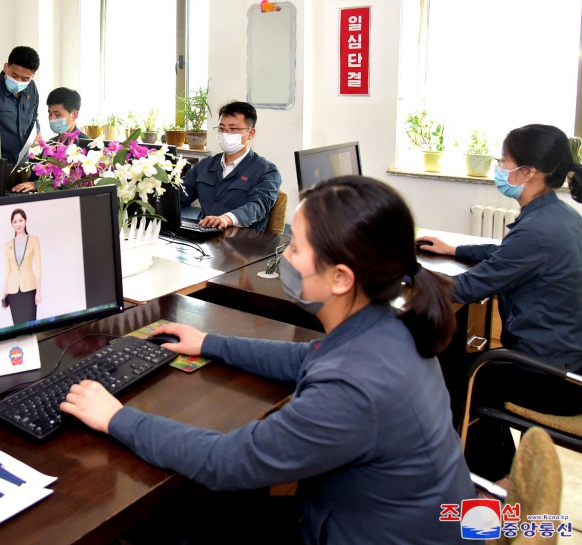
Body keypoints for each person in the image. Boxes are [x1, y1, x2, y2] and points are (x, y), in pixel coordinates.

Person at [62, 176, 474, 545]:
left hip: (366, 532)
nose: (285, 254)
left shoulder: (354, 385)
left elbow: (225, 461)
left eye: (295, 246)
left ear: (341, 277)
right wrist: (209, 343)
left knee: (189, 509)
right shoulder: (388, 320)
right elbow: (307, 357)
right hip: (375, 516)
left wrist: (116, 418)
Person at [417, 123, 582, 481]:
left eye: (504, 160)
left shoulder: (539, 230)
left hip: (552, 380)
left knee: (454, 377)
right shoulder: (558, 215)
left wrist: (402, 276)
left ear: (529, 172)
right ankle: (499, 470)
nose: (499, 167)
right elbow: (508, 253)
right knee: (463, 365)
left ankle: (486, 479)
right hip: (566, 360)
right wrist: (456, 249)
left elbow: (464, 290)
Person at [180, 101, 282, 231]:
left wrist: (227, 219)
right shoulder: (205, 165)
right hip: (204, 234)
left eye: (233, 129)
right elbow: (180, 194)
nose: (225, 133)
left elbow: (258, 205)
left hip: (243, 239)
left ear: (251, 133)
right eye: (222, 128)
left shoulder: (267, 171)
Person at [11, 87, 89, 193]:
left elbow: (78, 183)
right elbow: (35, 177)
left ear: (74, 115)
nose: (52, 119)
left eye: (57, 114)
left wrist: (39, 185)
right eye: (50, 114)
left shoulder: (84, 144)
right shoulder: (49, 145)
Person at [2, 209, 41, 325]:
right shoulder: (8, 244)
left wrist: (39, 291)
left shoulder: (34, 240)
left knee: (31, 326)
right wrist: (4, 293)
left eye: (20, 220)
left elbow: (38, 266)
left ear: (25, 221)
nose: (18, 224)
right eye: (15, 222)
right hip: (13, 291)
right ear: (12, 224)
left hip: (29, 289)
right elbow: (7, 269)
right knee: (18, 326)